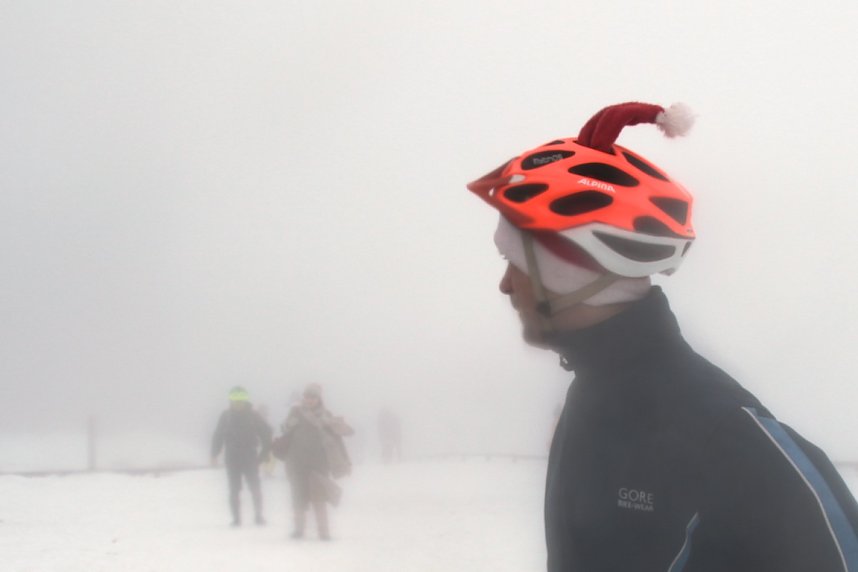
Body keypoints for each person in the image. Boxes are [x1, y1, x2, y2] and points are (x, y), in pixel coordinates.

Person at [467, 101, 858, 571]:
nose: (505, 285)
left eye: (516, 262)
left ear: (572, 276)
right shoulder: (590, 397)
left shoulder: (727, 436)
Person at [280, 383, 354, 540]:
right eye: (306, 397)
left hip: (319, 463)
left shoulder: (326, 415)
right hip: (297, 461)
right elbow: (284, 429)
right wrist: (289, 424)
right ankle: (298, 530)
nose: (309, 400)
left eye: (312, 397)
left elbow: (339, 438)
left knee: (318, 498)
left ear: (318, 398)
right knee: (297, 497)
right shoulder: (296, 412)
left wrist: (344, 459)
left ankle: (324, 532)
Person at [211, 386, 272, 527]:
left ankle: (258, 516)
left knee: (254, 486)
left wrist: (264, 454)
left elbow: (266, 433)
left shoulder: (253, 415)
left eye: (241, 401)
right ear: (230, 401)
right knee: (234, 488)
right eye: (235, 401)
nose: (238, 404)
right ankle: (236, 519)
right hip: (232, 456)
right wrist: (214, 453)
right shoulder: (226, 416)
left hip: (250, 455)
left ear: (245, 401)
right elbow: (218, 435)